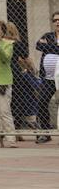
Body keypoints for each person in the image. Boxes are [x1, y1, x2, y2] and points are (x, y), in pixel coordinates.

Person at [35, 12, 59, 143]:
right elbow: (38, 45)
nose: (57, 22)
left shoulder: (47, 40)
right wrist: (56, 47)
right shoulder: (48, 35)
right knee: (42, 102)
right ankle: (45, 132)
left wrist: (48, 47)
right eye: (55, 20)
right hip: (48, 78)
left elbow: (44, 46)